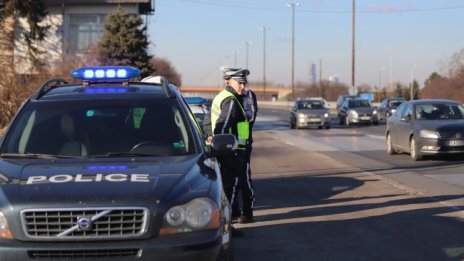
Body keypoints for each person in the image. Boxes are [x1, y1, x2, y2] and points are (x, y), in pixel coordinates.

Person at [204, 66, 251, 232]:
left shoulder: (220, 97)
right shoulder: (230, 100)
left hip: (228, 150)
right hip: (230, 151)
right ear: (228, 81)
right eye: (239, 83)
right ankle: (227, 226)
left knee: (225, 188)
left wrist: (210, 136)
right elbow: (222, 125)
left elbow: (207, 122)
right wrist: (221, 144)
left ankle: (225, 223)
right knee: (230, 188)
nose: (243, 86)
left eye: (244, 83)